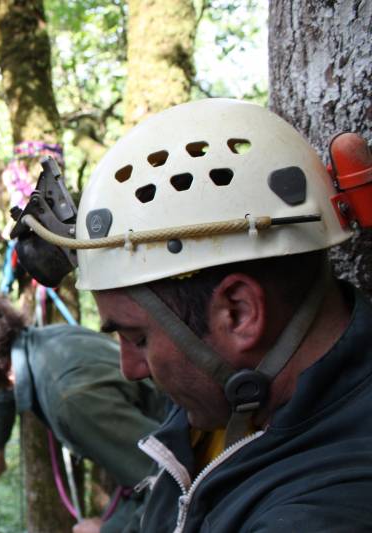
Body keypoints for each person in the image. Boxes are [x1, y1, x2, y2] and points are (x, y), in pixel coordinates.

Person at [61, 98, 372, 531]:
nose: (130, 369)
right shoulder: (224, 399)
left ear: (238, 313)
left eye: (138, 339)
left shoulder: (327, 509)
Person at [0, 289, 168, 533]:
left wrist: (110, 529)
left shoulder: (70, 401)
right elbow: (2, 390)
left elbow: (169, 479)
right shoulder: (48, 341)